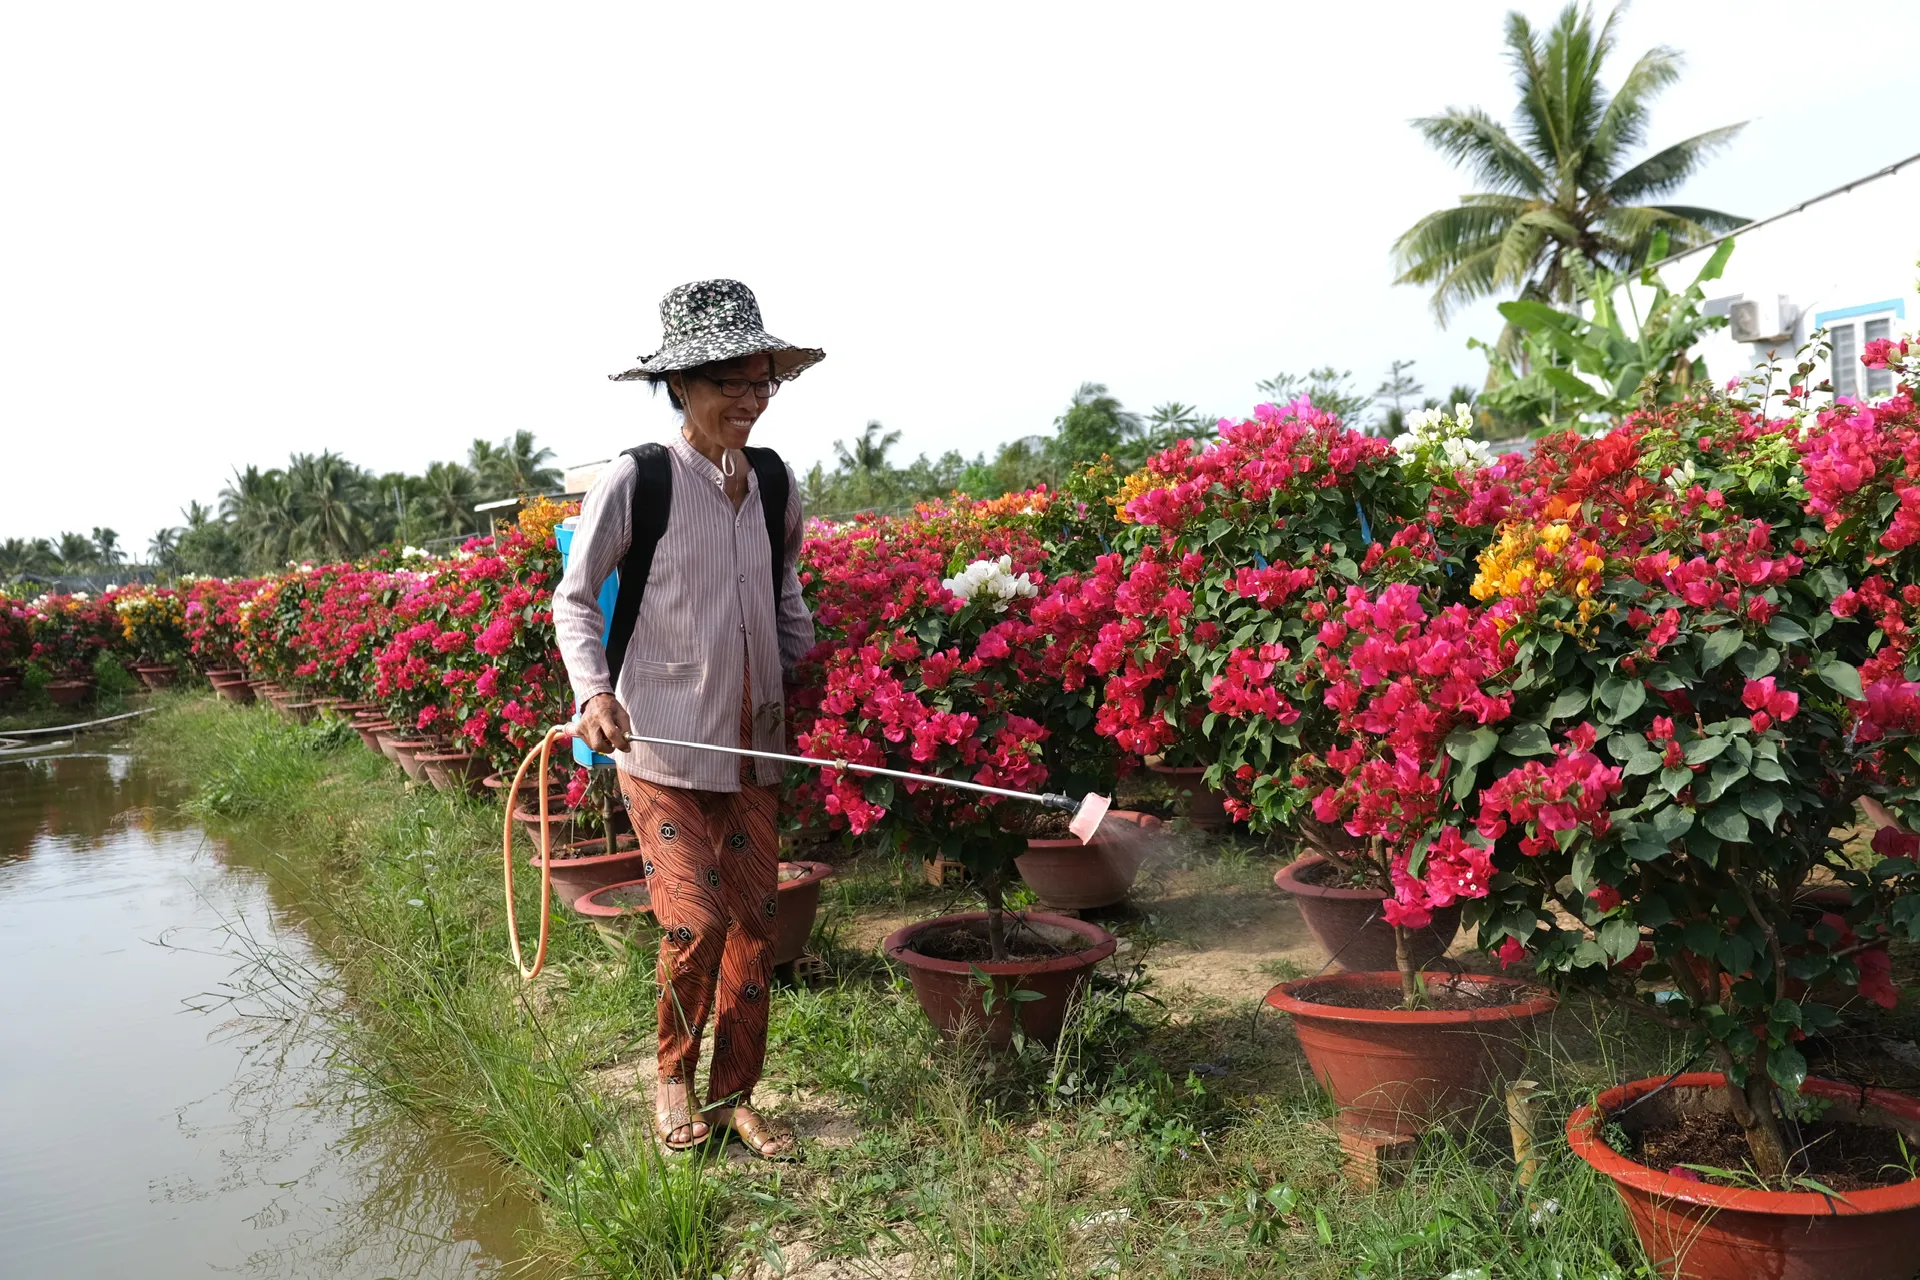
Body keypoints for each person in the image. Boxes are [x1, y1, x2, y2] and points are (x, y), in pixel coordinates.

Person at [553, 279, 820, 1158]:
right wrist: (595, 693)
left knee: (754, 929)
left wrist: (809, 667)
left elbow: (784, 588)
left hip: (753, 749)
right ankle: (670, 1079)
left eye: (762, 381)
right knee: (695, 920)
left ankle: (733, 1095)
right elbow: (575, 599)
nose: (749, 398)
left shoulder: (776, 481)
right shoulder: (641, 480)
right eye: (729, 381)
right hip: (661, 745)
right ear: (682, 386)